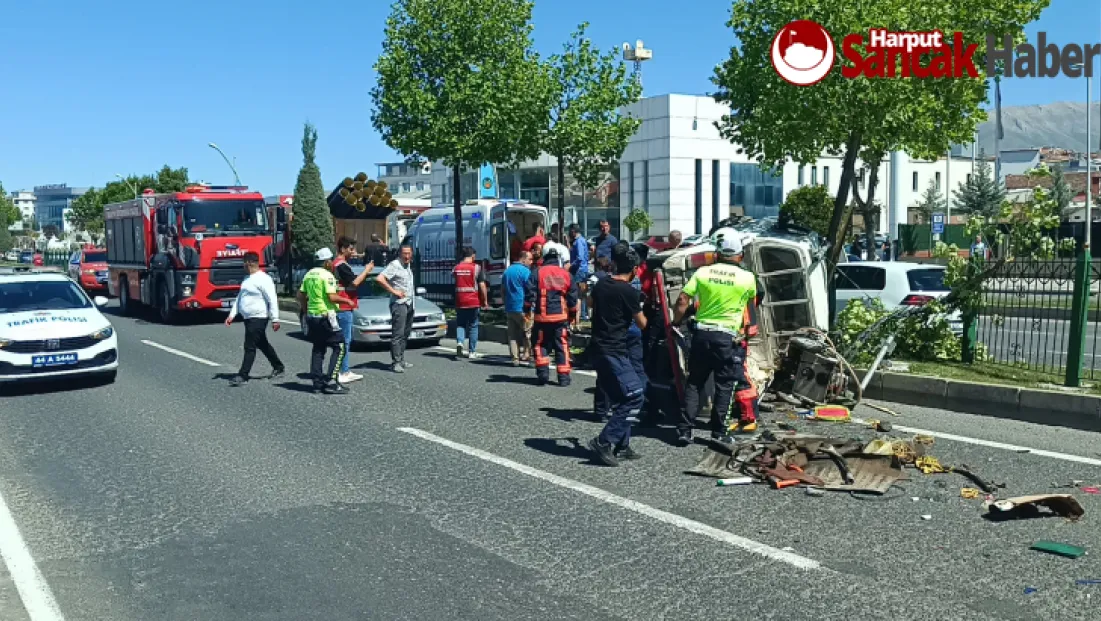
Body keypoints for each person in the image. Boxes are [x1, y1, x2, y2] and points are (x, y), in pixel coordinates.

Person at [672, 233, 759, 444]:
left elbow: (683, 299)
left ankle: (685, 430)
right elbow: (751, 306)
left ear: (718, 254)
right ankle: (719, 432)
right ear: (740, 255)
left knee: (694, 383)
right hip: (726, 337)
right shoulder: (747, 278)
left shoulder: (703, 272)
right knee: (724, 385)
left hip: (701, 335)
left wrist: (676, 321)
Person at [587, 242, 648, 466]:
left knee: (622, 397)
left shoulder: (602, 284)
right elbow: (642, 324)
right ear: (633, 270)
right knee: (635, 395)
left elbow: (590, 302)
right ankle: (604, 441)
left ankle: (622, 444)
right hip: (614, 350)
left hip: (598, 348)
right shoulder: (630, 292)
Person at [225, 251, 284, 387]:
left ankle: (243, 375)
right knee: (262, 343)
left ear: (249, 263)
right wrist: (231, 315)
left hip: (259, 317)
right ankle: (278, 367)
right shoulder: (247, 279)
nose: (243, 266)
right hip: (248, 317)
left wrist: (275, 318)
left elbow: (272, 299)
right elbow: (240, 299)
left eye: (244, 263)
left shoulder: (263, 279)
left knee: (249, 346)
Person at [525, 245, 579, 387]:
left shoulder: (537, 273)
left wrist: (526, 311)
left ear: (545, 258)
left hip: (542, 318)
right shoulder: (566, 275)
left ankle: (543, 374)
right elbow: (573, 299)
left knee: (540, 344)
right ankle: (564, 378)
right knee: (562, 346)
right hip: (560, 318)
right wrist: (572, 315)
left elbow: (529, 295)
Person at [297, 248, 348, 394]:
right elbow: (332, 297)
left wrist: (306, 310)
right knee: (339, 346)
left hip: (312, 316)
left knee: (318, 349)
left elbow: (300, 295)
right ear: (326, 262)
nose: (332, 263)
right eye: (331, 260)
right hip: (326, 316)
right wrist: (346, 301)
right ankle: (331, 381)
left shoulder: (309, 274)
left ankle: (317, 383)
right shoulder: (327, 276)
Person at [333, 237, 375, 384]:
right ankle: (343, 371)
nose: (353, 252)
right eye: (351, 249)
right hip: (344, 306)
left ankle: (340, 370)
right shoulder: (341, 266)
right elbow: (354, 283)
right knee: (345, 340)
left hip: (341, 305)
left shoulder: (335, 264)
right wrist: (367, 271)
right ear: (343, 249)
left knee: (342, 340)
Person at [377, 244, 416, 373]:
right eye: (404, 253)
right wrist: (394, 291)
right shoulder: (395, 265)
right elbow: (380, 279)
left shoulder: (408, 265)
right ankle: (396, 362)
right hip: (399, 303)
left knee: (406, 333)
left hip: (410, 303)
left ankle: (401, 359)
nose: (407, 256)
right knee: (398, 334)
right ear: (400, 253)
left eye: (409, 253)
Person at [452, 246, 489, 359]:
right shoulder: (476, 268)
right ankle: (472, 352)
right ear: (473, 256)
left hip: (460, 301)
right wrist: (485, 301)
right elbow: (482, 286)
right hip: (473, 301)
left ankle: (460, 342)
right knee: (473, 326)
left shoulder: (456, 268)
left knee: (461, 324)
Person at [503, 251, 533, 366]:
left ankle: (515, 358)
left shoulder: (507, 271)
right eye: (530, 259)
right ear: (523, 259)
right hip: (523, 307)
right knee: (527, 333)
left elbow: (503, 290)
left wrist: (506, 303)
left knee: (512, 335)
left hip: (510, 307)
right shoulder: (525, 272)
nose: (531, 262)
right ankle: (529, 356)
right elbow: (530, 289)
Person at [568, 223, 590, 319]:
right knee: (582, 294)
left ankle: (580, 315)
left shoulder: (579, 242)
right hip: (582, 269)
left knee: (578, 294)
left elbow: (580, 257)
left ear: (573, 231)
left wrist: (571, 265)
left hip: (578, 270)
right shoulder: (580, 241)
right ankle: (583, 314)